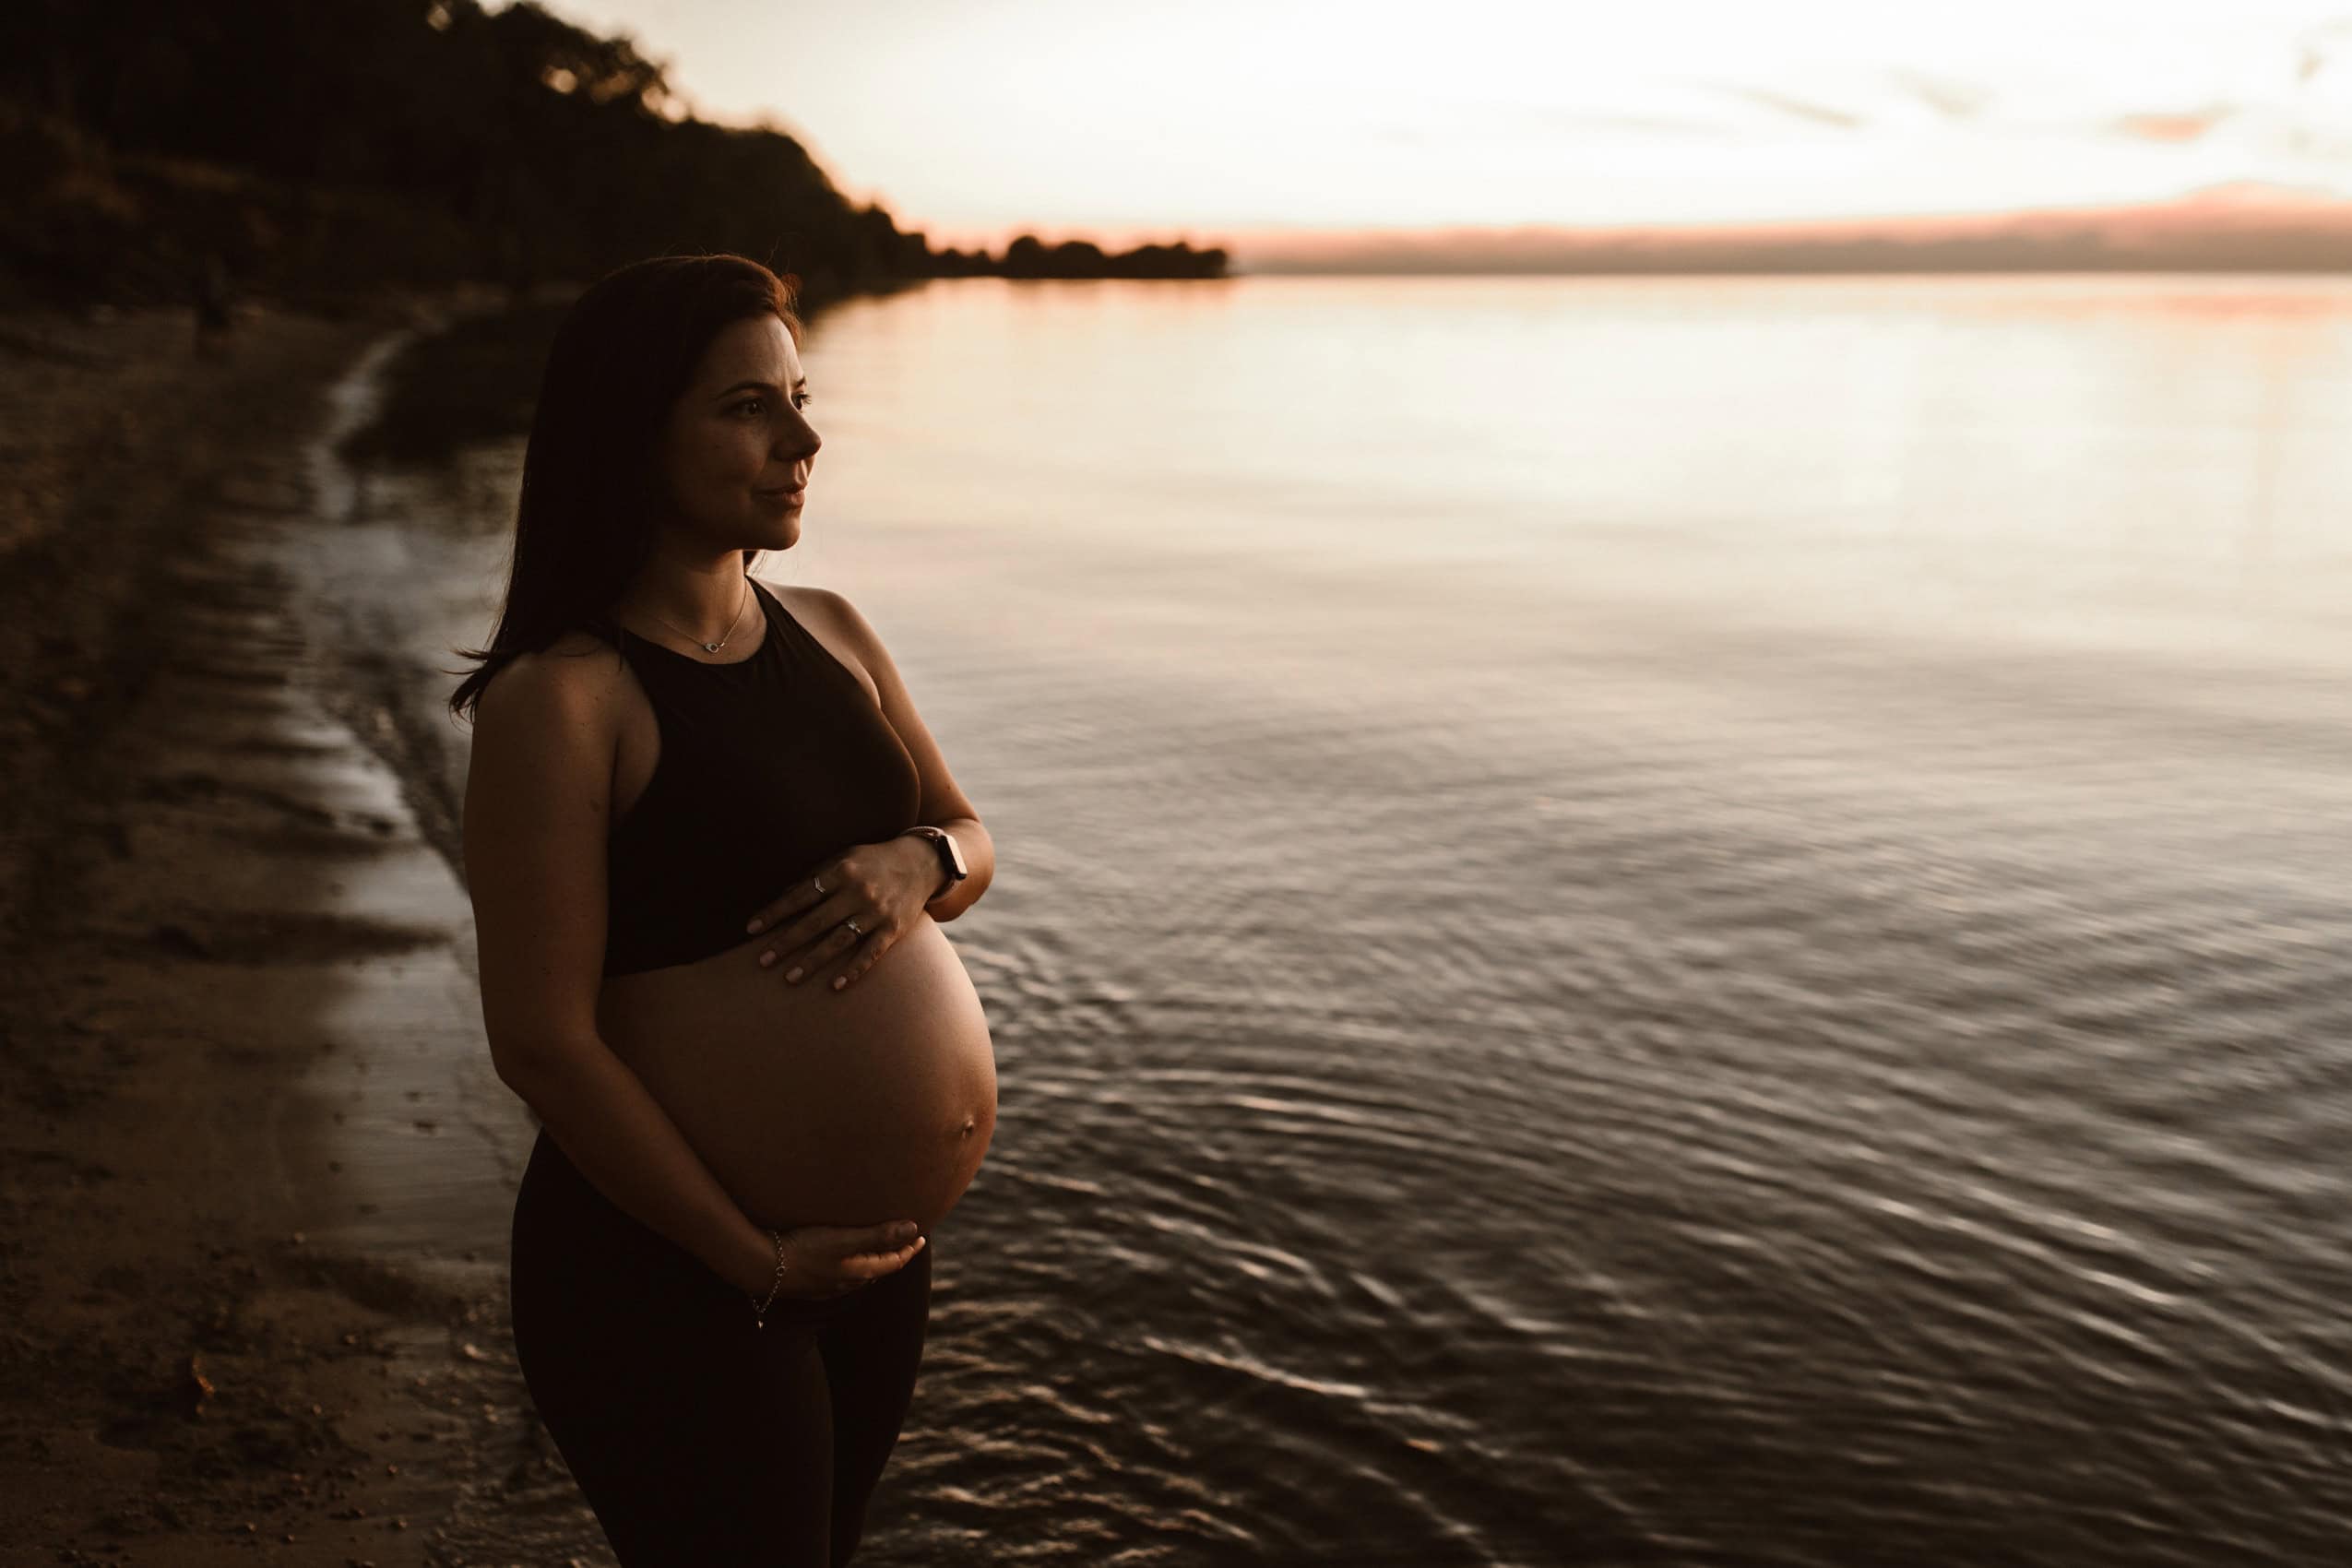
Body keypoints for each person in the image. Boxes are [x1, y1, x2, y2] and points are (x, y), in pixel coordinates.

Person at [451, 253, 1000, 1566]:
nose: (802, 439)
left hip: (866, 1260)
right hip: (673, 1270)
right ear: (632, 431)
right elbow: (541, 1040)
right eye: (747, 407)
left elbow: (970, 843)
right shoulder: (564, 699)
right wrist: (753, 1261)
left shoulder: (833, 628)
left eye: (798, 399)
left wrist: (915, 861)